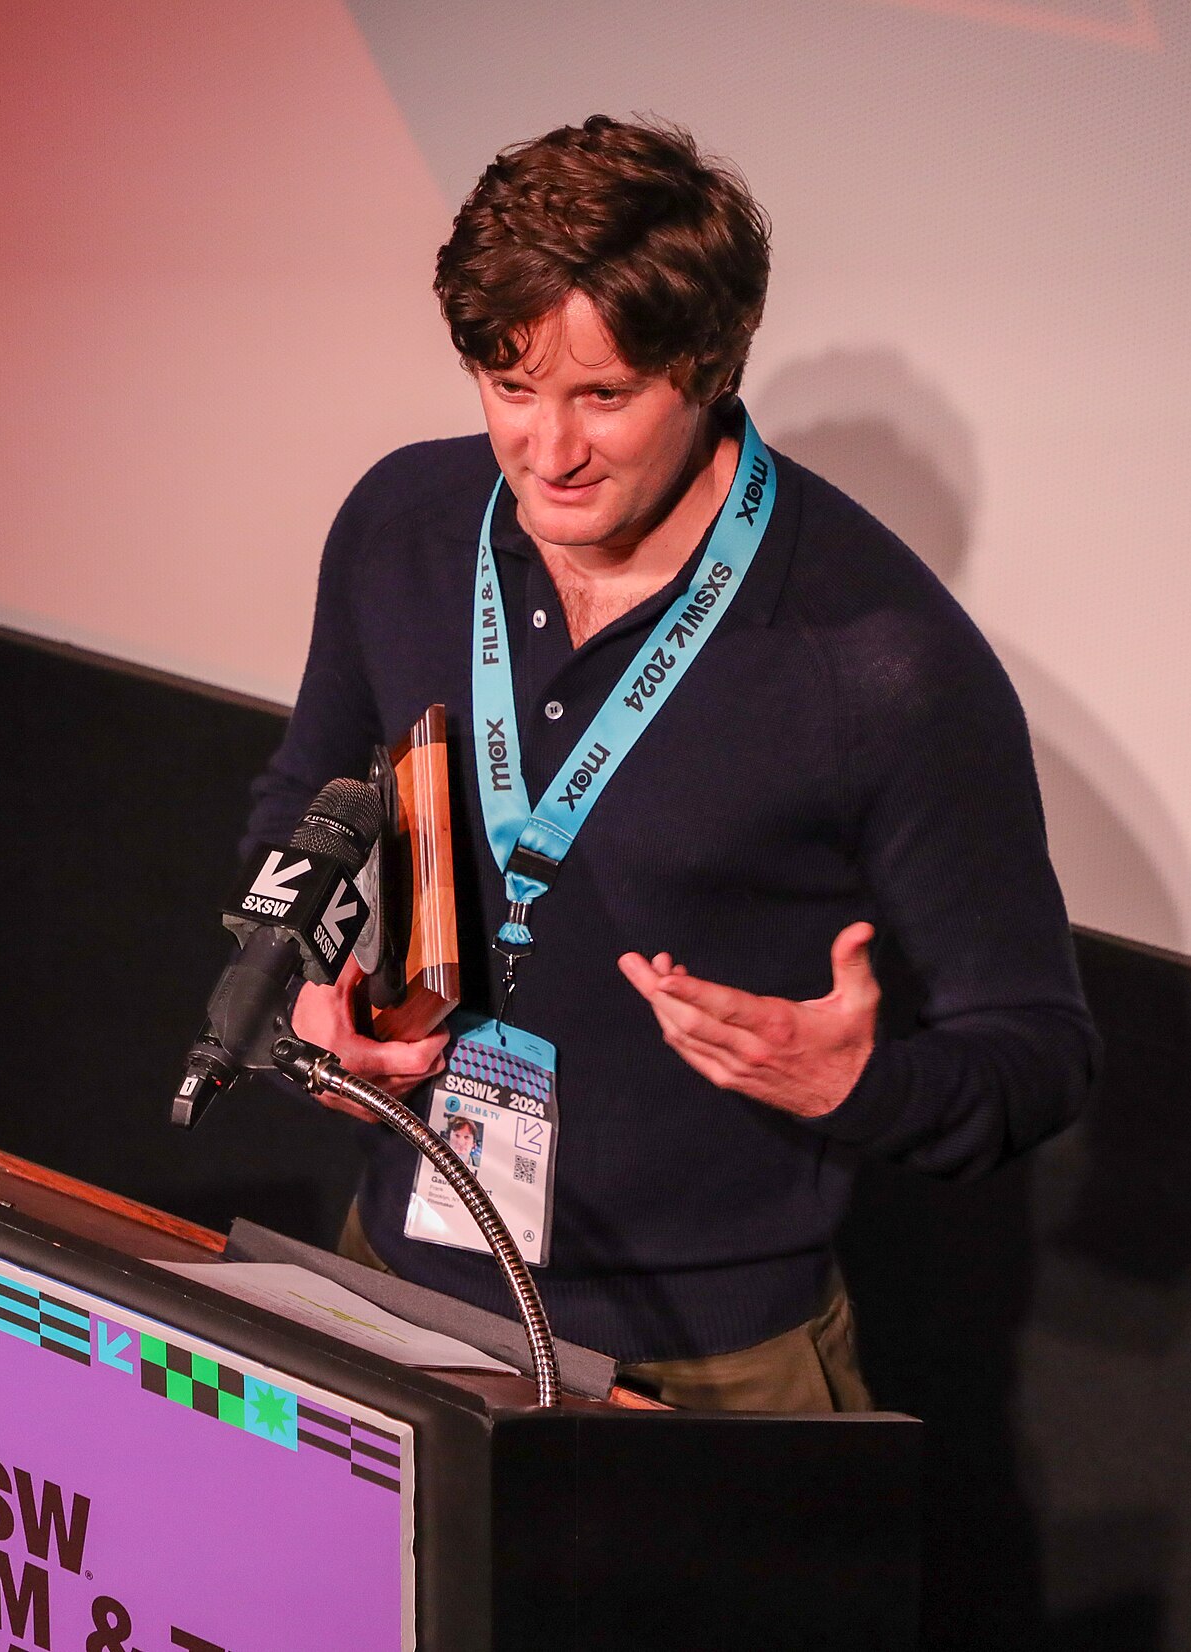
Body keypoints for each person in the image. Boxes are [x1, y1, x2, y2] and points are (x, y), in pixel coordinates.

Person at [245, 116, 1098, 1410]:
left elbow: (1037, 1052)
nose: (548, 451)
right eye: (511, 387)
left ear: (706, 368)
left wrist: (856, 1083)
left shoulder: (881, 658)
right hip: (400, 1278)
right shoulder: (404, 528)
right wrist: (309, 985)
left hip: (711, 1354)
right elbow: (298, 799)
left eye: (604, 396)